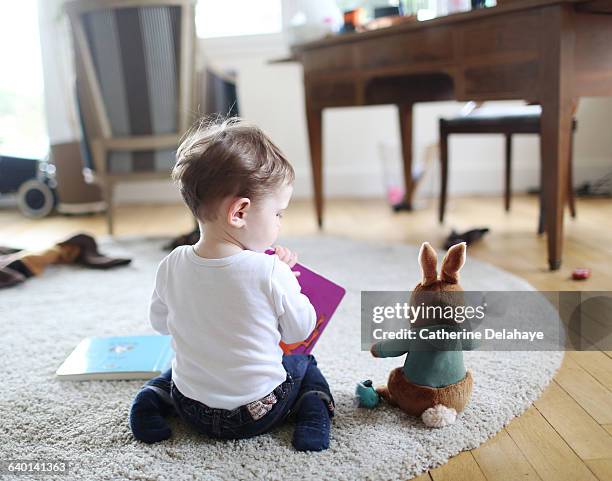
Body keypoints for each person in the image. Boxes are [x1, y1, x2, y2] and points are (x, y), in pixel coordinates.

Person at [129, 117, 334, 451]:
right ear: (239, 213)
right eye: (278, 213)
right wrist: (287, 283)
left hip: (191, 408)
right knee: (304, 366)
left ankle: (150, 400)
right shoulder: (270, 271)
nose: (280, 223)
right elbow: (299, 332)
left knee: (179, 365)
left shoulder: (171, 264)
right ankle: (314, 412)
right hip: (257, 413)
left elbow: (160, 324)